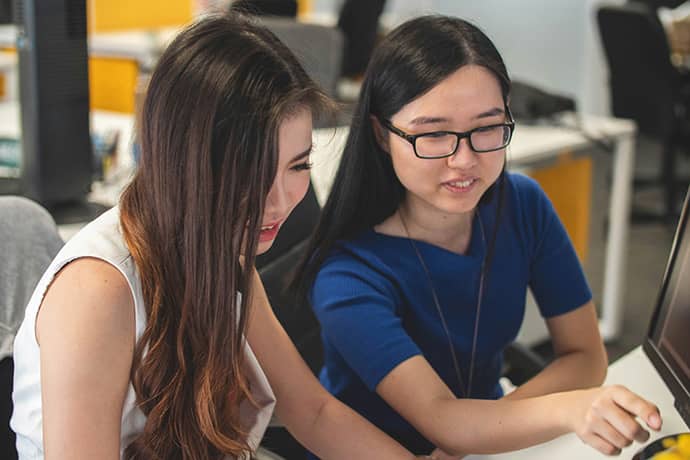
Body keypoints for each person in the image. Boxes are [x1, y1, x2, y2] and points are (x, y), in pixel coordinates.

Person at [10, 13, 426, 460]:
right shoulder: (99, 291)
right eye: (252, 173)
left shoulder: (222, 247)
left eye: (299, 165)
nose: (280, 201)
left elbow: (313, 412)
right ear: (187, 163)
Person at [295, 15, 663, 459]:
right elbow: (442, 419)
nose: (464, 160)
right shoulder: (347, 274)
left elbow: (586, 356)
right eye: (434, 134)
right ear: (381, 134)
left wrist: (485, 429)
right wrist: (555, 412)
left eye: (487, 127)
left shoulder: (521, 204)